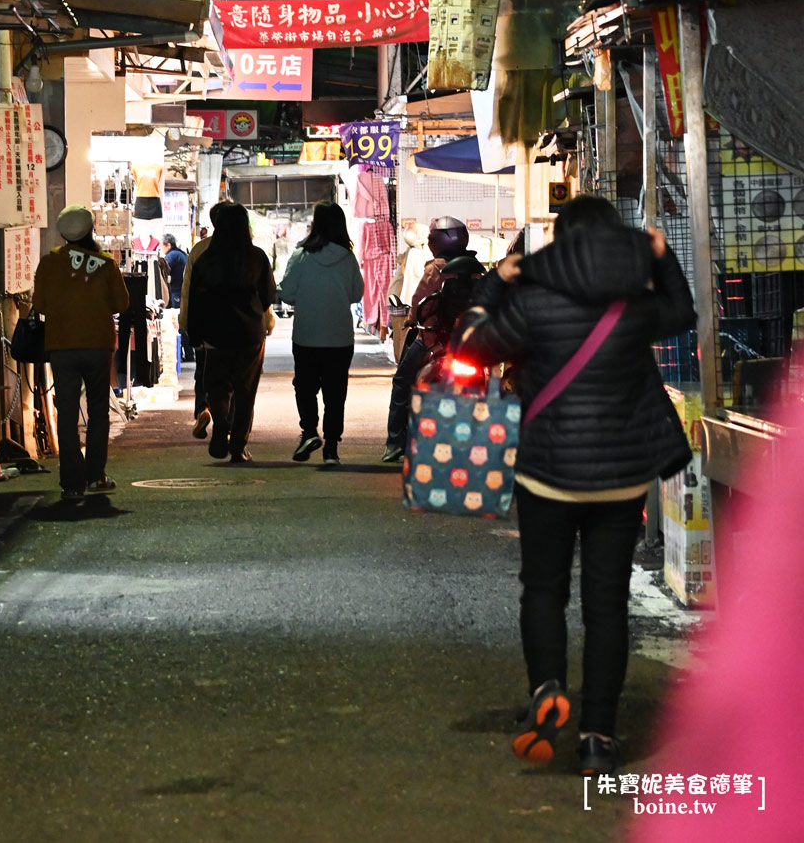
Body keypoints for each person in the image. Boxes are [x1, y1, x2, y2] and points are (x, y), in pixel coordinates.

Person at [453, 195, 695, 776]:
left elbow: (469, 346)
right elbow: (683, 312)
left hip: (547, 475)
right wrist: (662, 257)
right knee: (607, 605)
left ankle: (547, 690)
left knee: (544, 590)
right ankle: (597, 739)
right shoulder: (634, 303)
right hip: (619, 481)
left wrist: (496, 283)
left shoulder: (533, 301)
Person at [29, 204, 130, 501]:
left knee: (67, 412)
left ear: (63, 234)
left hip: (61, 347)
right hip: (97, 345)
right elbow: (122, 304)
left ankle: (72, 483)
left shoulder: (49, 263)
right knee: (98, 411)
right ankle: (96, 475)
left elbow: (40, 305)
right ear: (91, 230)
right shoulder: (105, 264)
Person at [381, 216, 484, 463]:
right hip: (470, 343)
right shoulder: (477, 268)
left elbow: (419, 300)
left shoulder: (436, 267)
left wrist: (411, 319)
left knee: (402, 380)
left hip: (434, 340)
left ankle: (395, 443)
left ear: (437, 241)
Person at [185, 202, 276, 463]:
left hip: (215, 335)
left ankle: (221, 424)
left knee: (217, 387)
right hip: (249, 334)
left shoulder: (205, 259)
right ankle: (237, 445)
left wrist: (195, 334)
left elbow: (195, 301)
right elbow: (269, 294)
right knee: (245, 391)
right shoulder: (257, 257)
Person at [279, 201, 364, 466]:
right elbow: (357, 294)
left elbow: (287, 293)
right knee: (336, 392)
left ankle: (309, 431)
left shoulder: (301, 256)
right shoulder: (347, 258)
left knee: (304, 386)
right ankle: (331, 449)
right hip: (340, 337)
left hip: (307, 335)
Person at [179, 219, 216, 439]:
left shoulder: (199, 250)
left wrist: (185, 321)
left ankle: (203, 408)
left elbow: (187, 290)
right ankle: (228, 424)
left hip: (204, 323)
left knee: (203, 371)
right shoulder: (246, 249)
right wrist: (267, 322)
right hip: (237, 327)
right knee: (233, 377)